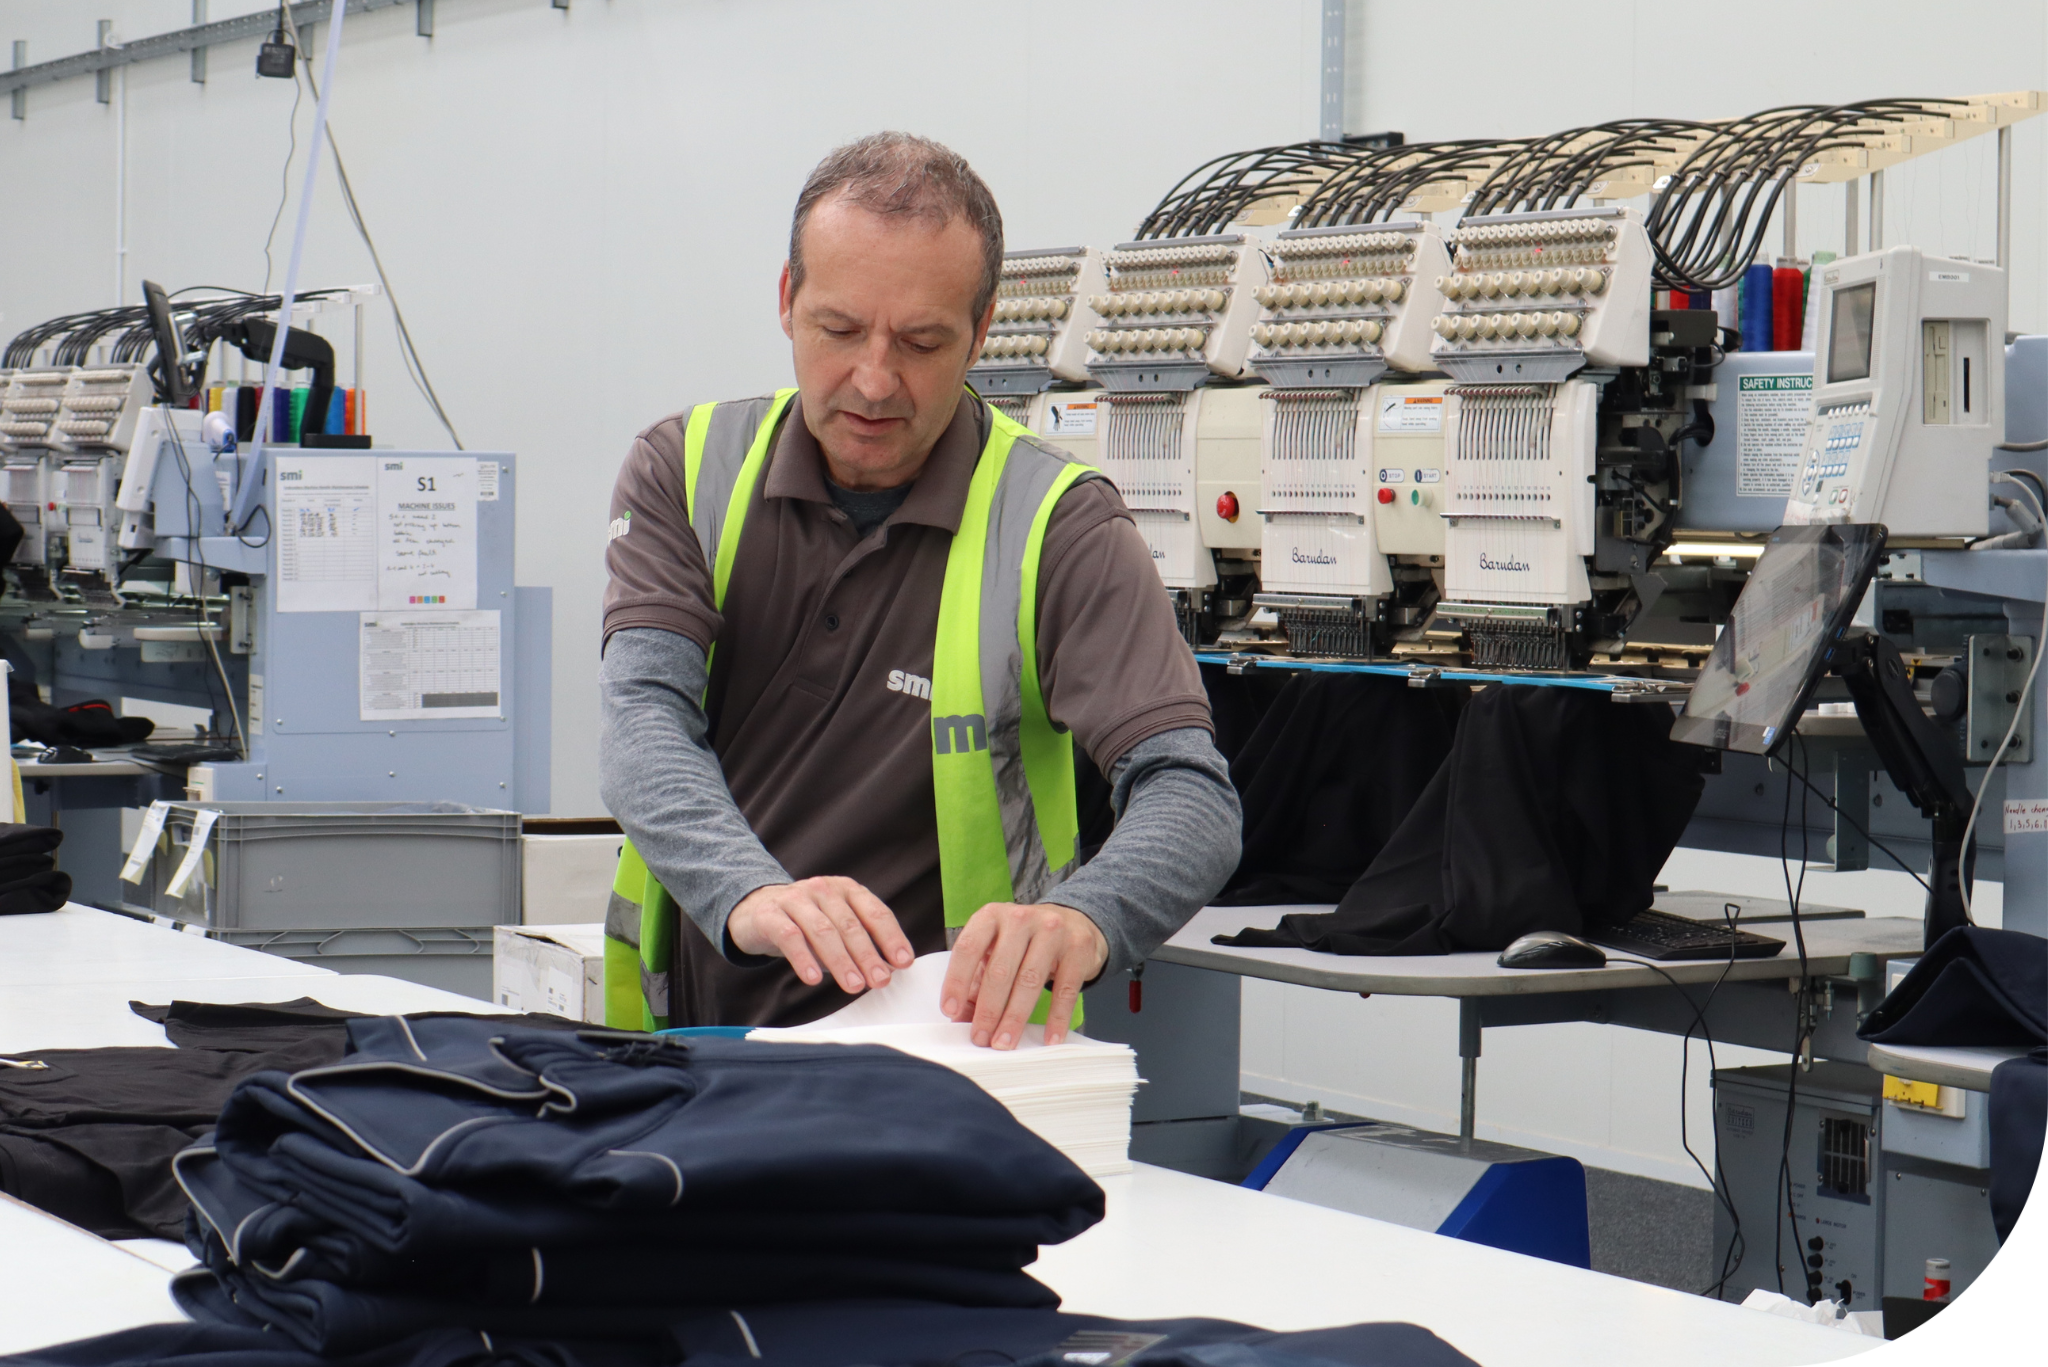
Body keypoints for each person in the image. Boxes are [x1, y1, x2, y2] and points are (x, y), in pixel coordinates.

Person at [599, 131, 1239, 1049]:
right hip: (693, 1049)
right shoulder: (686, 470)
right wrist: (753, 892)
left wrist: (1086, 918)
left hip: (950, 1076)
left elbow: (1192, 794)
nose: (873, 380)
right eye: (839, 329)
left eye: (922, 341)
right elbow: (643, 721)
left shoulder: (1058, 526)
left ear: (982, 333)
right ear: (787, 302)